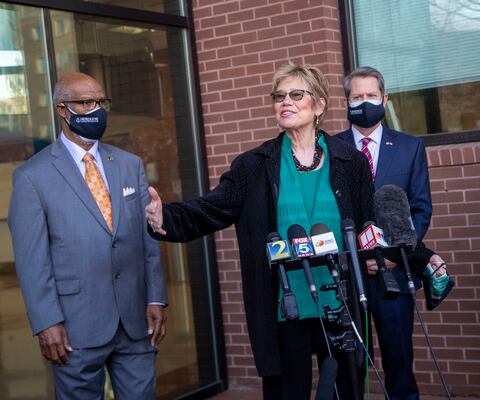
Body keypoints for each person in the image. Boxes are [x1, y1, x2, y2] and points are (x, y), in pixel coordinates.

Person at [145, 61, 445, 399]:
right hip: (284, 303)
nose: (285, 102)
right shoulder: (254, 165)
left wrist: (422, 257)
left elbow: (370, 221)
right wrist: (164, 218)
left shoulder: (350, 162)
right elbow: (214, 207)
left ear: (318, 104)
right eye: (279, 96)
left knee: (345, 389)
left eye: (296, 94)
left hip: (340, 302)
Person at [8, 72, 168, 399]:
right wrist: (46, 322)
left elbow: (147, 237)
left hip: (134, 320)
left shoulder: (129, 164)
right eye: (85, 102)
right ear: (62, 110)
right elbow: (32, 260)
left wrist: (155, 296)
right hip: (74, 328)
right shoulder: (31, 177)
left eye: (101, 101)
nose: (96, 109)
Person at [336, 66, 435, 400]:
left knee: (399, 362)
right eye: (357, 97)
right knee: (351, 366)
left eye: (371, 96)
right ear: (346, 101)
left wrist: (395, 254)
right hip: (350, 277)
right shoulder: (330, 148)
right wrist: (355, 259)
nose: (364, 102)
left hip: (395, 273)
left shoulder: (409, 147)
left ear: (385, 98)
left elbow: (421, 208)